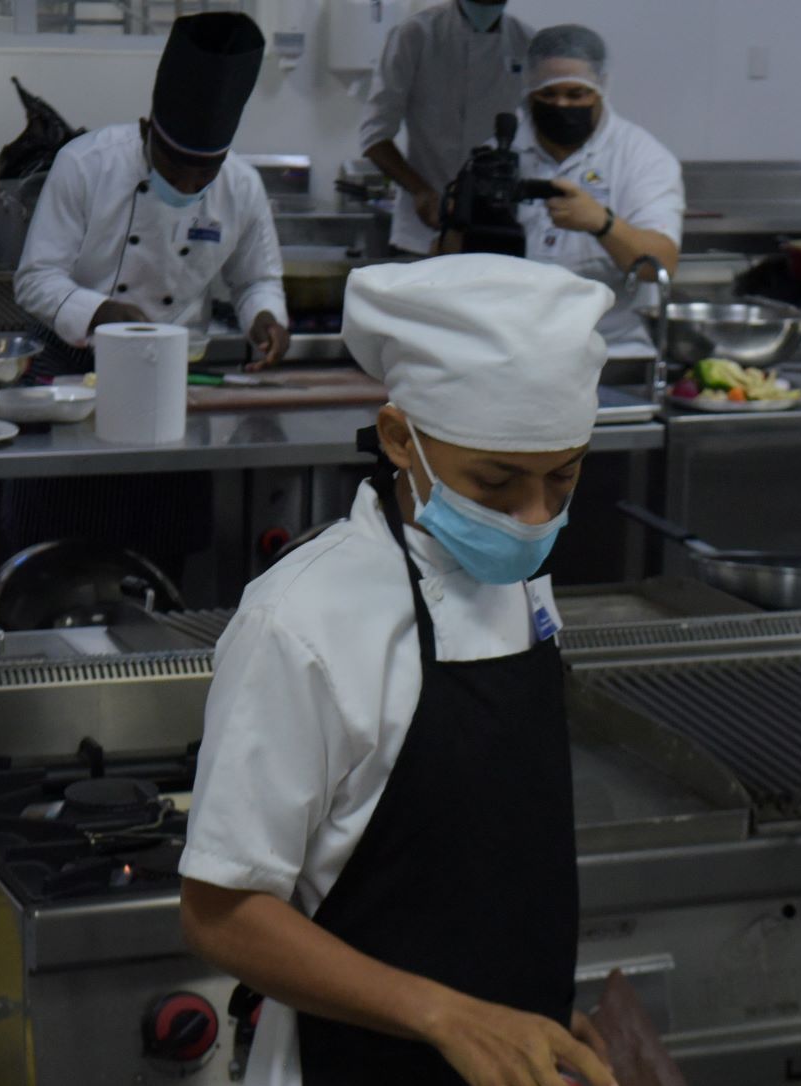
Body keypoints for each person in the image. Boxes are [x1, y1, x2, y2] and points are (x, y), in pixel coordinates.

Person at [180, 254, 620, 1086]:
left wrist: (525, 1005)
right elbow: (221, 913)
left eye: (562, 478)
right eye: (495, 482)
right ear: (397, 438)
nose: (532, 519)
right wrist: (449, 1015)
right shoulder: (301, 622)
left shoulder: (517, 580)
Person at [8, 11, 286, 578]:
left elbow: (256, 278)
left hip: (166, 380)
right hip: (70, 370)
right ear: (146, 129)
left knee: (158, 556)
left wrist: (264, 315)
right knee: (55, 551)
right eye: (176, 166)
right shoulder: (86, 165)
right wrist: (101, 312)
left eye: (204, 172)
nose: (188, 184)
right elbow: (35, 279)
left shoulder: (241, 186)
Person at [509, 25, 682, 358]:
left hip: (611, 352)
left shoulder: (641, 158)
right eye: (548, 94)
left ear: (601, 87)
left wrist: (602, 224)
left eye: (576, 95)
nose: (561, 104)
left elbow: (661, 264)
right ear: (529, 89)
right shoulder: (501, 152)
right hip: (517, 349)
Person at [361, 0, 532, 256]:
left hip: (499, 229)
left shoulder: (526, 41)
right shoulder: (416, 34)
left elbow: (538, 133)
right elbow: (374, 135)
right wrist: (420, 191)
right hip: (423, 228)